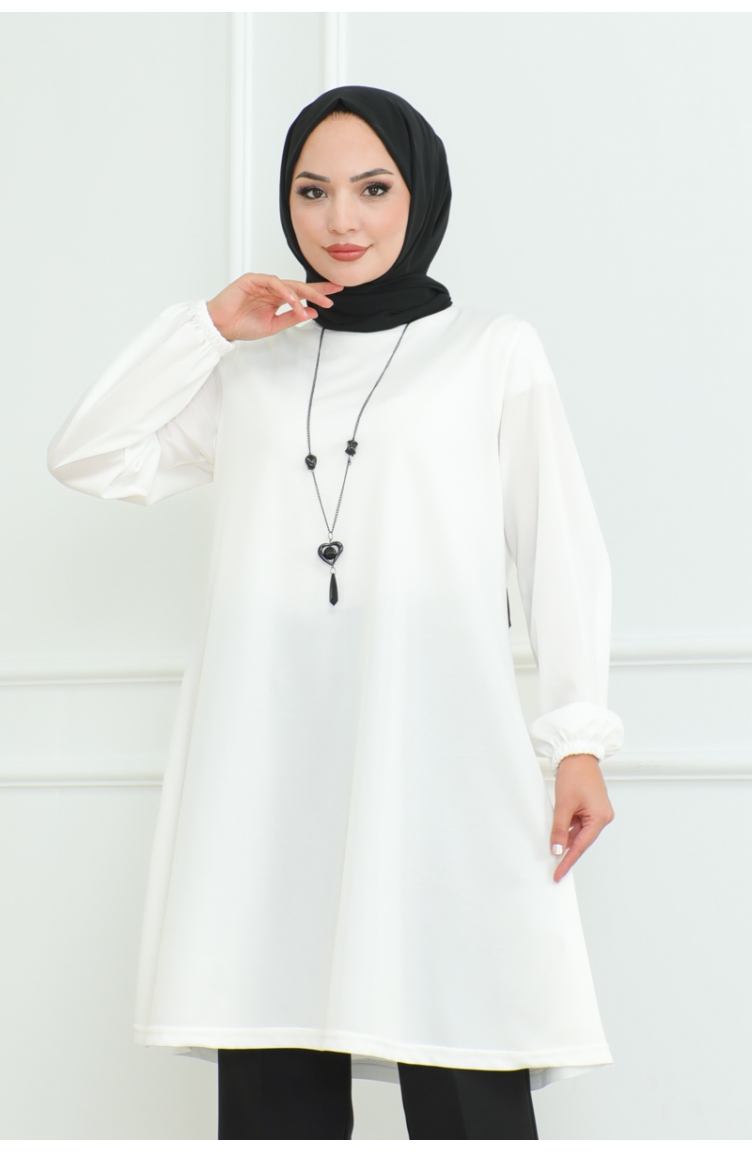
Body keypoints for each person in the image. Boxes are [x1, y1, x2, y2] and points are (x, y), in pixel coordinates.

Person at [48, 86, 624, 1140]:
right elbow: (89, 456)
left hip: (438, 749)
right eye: (311, 192)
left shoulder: (491, 350)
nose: (340, 220)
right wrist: (206, 328)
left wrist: (577, 738)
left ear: (421, 195)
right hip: (267, 761)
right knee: (274, 1066)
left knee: (464, 1044)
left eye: (372, 188)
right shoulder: (252, 367)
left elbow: (559, 550)